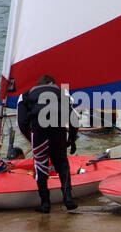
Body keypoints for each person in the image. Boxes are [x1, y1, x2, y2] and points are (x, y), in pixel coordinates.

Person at [16, 74, 80, 212]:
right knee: (62, 163)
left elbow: (22, 122)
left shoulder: (25, 96)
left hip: (39, 134)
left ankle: (45, 204)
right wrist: (72, 140)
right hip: (58, 133)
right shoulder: (62, 93)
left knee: (40, 167)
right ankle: (68, 198)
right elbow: (74, 118)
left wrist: (31, 138)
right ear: (52, 83)